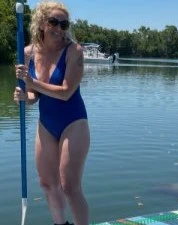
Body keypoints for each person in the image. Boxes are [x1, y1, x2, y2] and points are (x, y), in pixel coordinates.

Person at [14, 1, 90, 225]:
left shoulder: (73, 51)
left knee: (70, 186)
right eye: (54, 22)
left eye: (64, 24)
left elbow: (66, 92)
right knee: (47, 183)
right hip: (46, 123)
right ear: (41, 23)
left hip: (73, 122)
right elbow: (33, 97)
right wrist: (22, 96)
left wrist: (32, 81)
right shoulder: (27, 53)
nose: (59, 28)